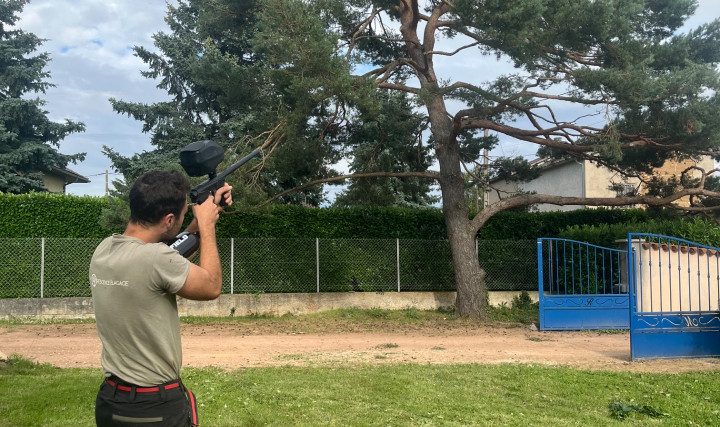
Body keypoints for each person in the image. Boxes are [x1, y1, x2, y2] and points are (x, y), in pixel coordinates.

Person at [89, 170, 232, 426]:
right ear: (168, 221)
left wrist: (199, 221)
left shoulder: (105, 249)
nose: (184, 217)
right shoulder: (156, 259)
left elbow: (169, 258)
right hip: (154, 407)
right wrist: (207, 227)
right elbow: (211, 286)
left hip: (111, 401)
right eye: (181, 214)